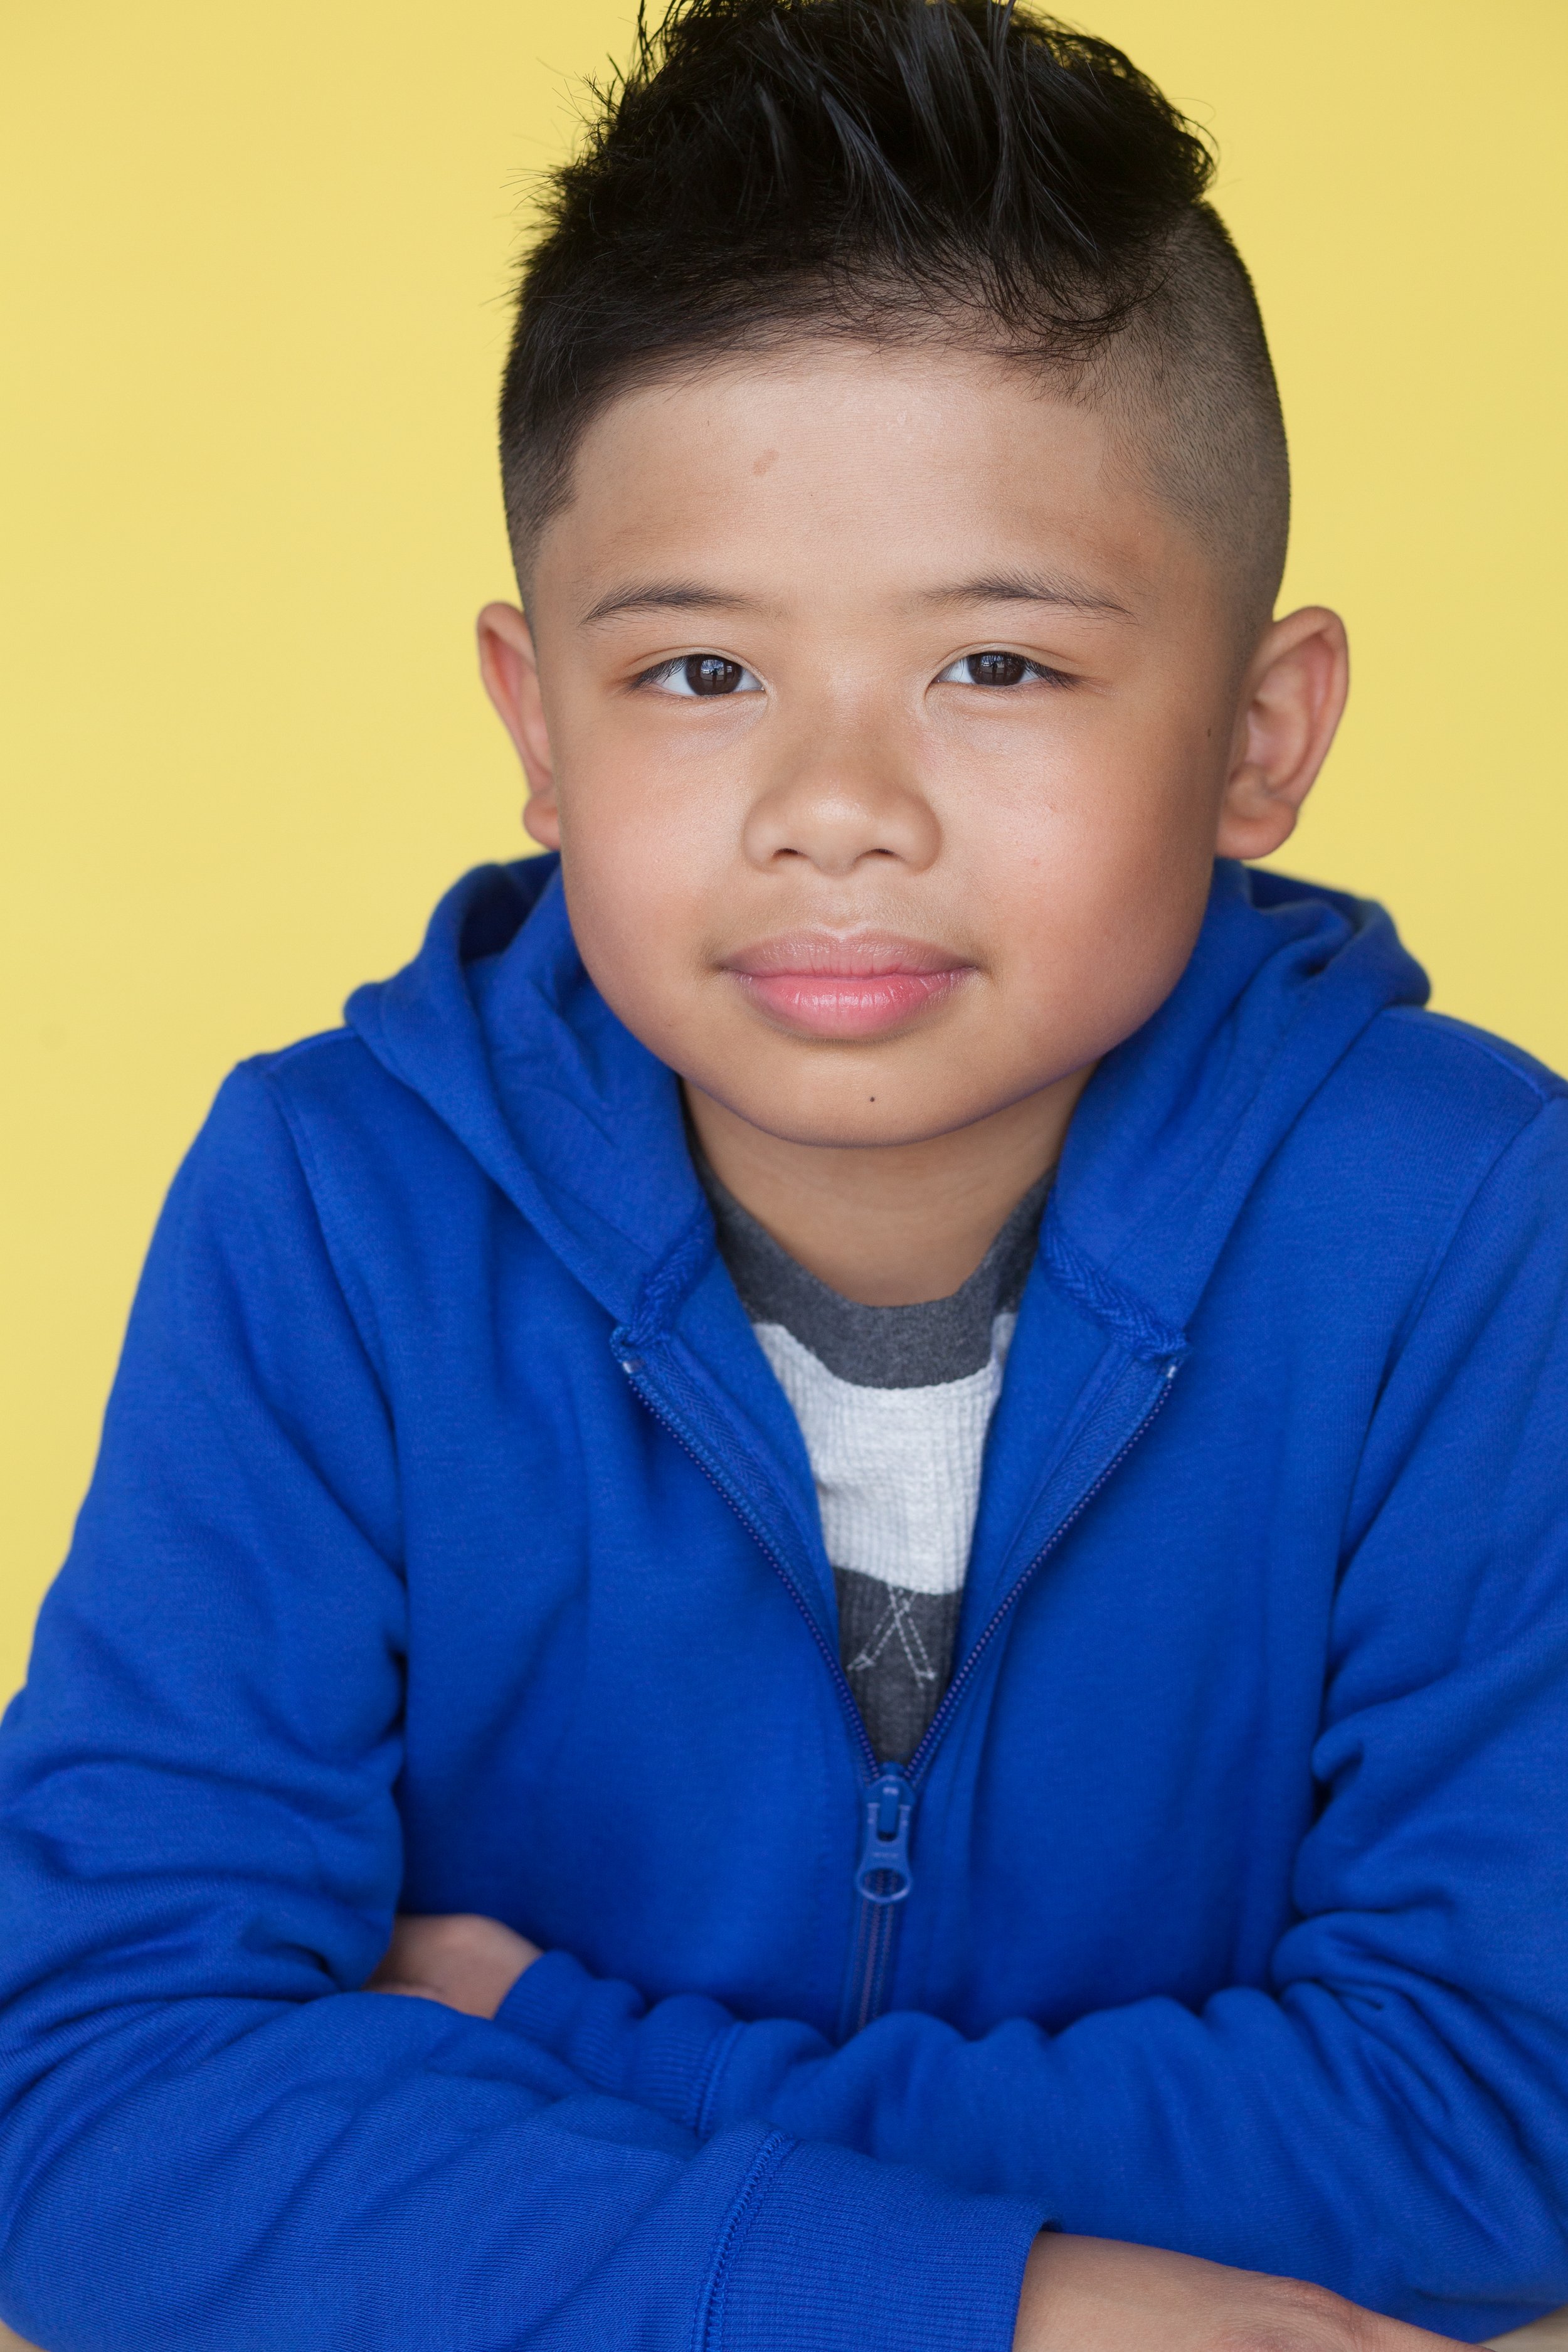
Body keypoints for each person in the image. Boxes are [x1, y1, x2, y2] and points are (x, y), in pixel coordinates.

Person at [2, 1, 1566, 2346]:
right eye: (703, 677)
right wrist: (1014, 2308)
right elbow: (82, 2098)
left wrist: (551, 2051)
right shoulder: (333, 1216)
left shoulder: (1460, 1229)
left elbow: (1493, 2109)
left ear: (1259, 736)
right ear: (536, 727)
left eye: (1001, 668)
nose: (838, 803)